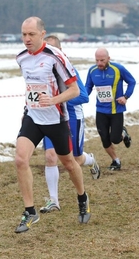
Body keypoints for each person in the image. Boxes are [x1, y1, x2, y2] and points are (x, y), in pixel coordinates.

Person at [14, 17, 90, 233]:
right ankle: (30, 211)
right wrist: (26, 109)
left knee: (69, 162)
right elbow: (31, 87)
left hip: (56, 119)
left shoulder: (55, 57)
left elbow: (75, 90)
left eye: (31, 34)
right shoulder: (21, 58)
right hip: (33, 117)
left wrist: (54, 100)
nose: (26, 39)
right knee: (20, 160)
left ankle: (82, 197)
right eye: (23, 34)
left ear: (42, 34)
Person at [39, 35, 100, 214]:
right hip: (50, 118)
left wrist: (57, 100)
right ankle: (53, 201)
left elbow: (83, 96)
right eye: (45, 48)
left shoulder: (68, 69)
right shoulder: (39, 70)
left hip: (72, 118)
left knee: (75, 159)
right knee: (50, 156)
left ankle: (91, 160)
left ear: (60, 51)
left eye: (51, 48)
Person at [85, 47, 135, 171]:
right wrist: (81, 97)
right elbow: (88, 87)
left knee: (115, 139)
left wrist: (125, 96)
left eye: (102, 60)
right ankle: (115, 160)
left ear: (108, 58)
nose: (99, 63)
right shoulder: (92, 71)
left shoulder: (118, 69)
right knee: (104, 138)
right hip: (100, 110)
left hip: (116, 110)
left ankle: (122, 133)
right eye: (97, 60)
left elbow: (132, 82)